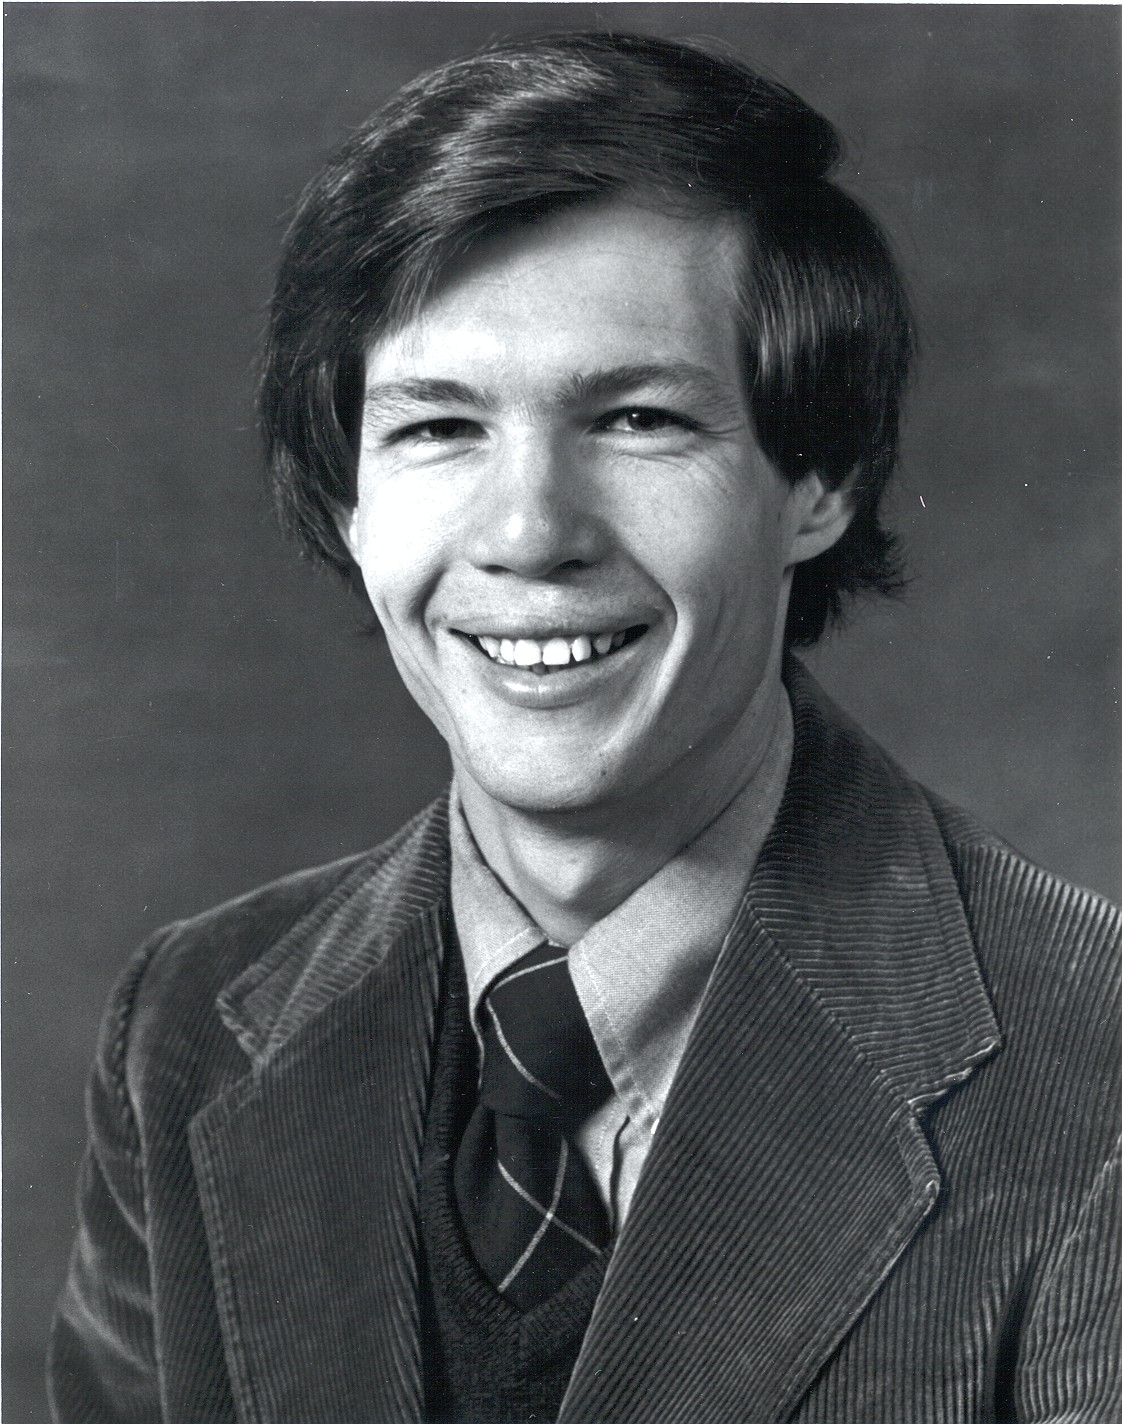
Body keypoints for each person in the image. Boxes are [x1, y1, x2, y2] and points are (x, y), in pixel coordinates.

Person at [48, 31, 1119, 1424]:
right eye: (438, 428)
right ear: (350, 499)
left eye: (635, 418)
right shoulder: (186, 1025)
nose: (529, 532)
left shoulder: (1090, 1069)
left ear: (820, 483)